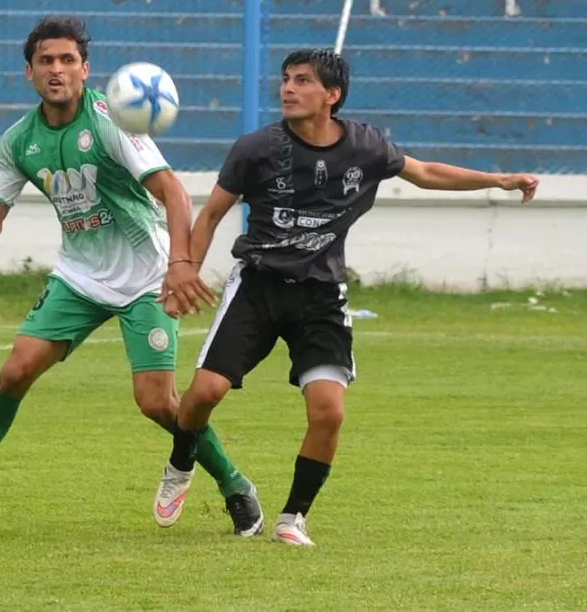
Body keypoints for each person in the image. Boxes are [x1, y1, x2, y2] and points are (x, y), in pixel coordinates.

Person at [153, 48, 539, 546]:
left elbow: (424, 172)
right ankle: (182, 458)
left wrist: (500, 181)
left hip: (321, 296)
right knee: (204, 393)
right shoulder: (256, 148)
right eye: (286, 80)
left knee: (330, 411)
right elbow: (208, 216)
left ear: (331, 96)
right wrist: (185, 269)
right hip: (258, 288)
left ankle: (293, 518)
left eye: (303, 81)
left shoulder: (366, 146)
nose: (288, 89)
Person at [0, 15, 263, 537]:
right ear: (29, 72)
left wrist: (179, 264)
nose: (57, 70)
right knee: (14, 373)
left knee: (157, 404)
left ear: (85, 69)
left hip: (146, 278)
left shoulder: (110, 121)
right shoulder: (18, 141)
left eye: (68, 60)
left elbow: (174, 192)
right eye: (46, 61)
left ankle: (235, 485)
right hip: (80, 278)